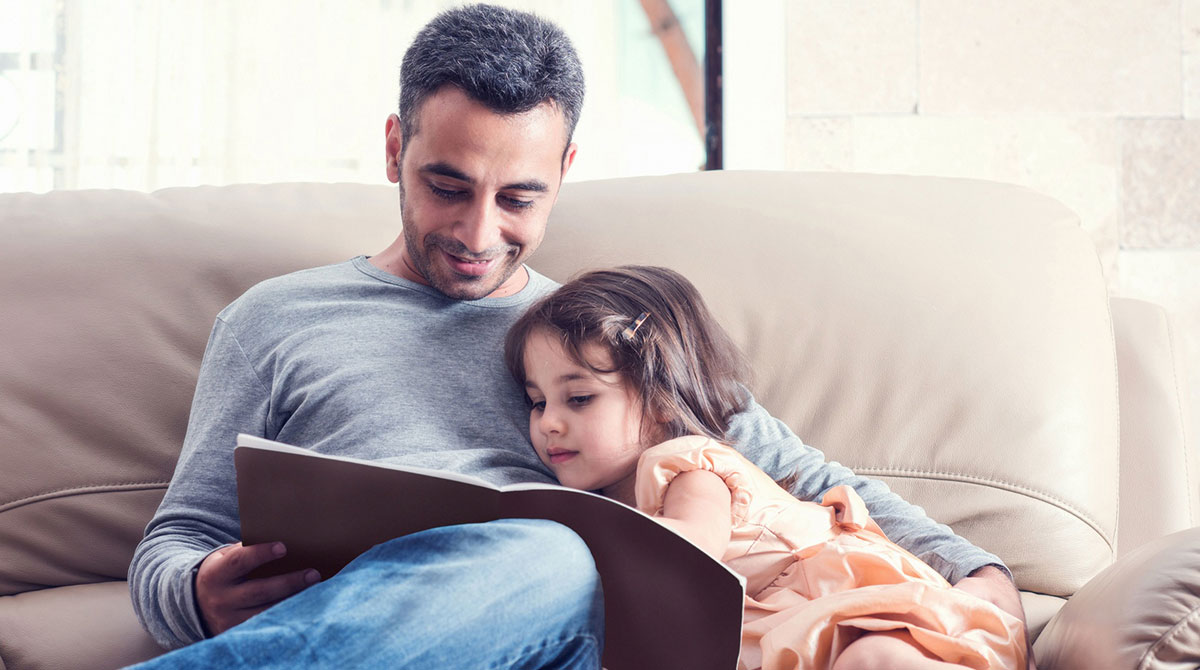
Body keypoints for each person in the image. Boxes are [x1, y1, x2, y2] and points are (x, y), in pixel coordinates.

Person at [126, 3, 1030, 668]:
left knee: (560, 551)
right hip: (363, 637)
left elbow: (803, 476)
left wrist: (978, 573)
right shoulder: (273, 321)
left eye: (519, 198)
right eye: (447, 184)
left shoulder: (602, 340)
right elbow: (171, 546)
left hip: (566, 640)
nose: (479, 234)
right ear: (395, 145)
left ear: (565, 170)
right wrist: (198, 595)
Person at [503, 265, 1028, 670]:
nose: (549, 423)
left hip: (861, 615)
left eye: (579, 398)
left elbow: (686, 549)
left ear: (662, 402)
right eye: (536, 402)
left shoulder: (687, 466)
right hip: (801, 637)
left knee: (876, 662)